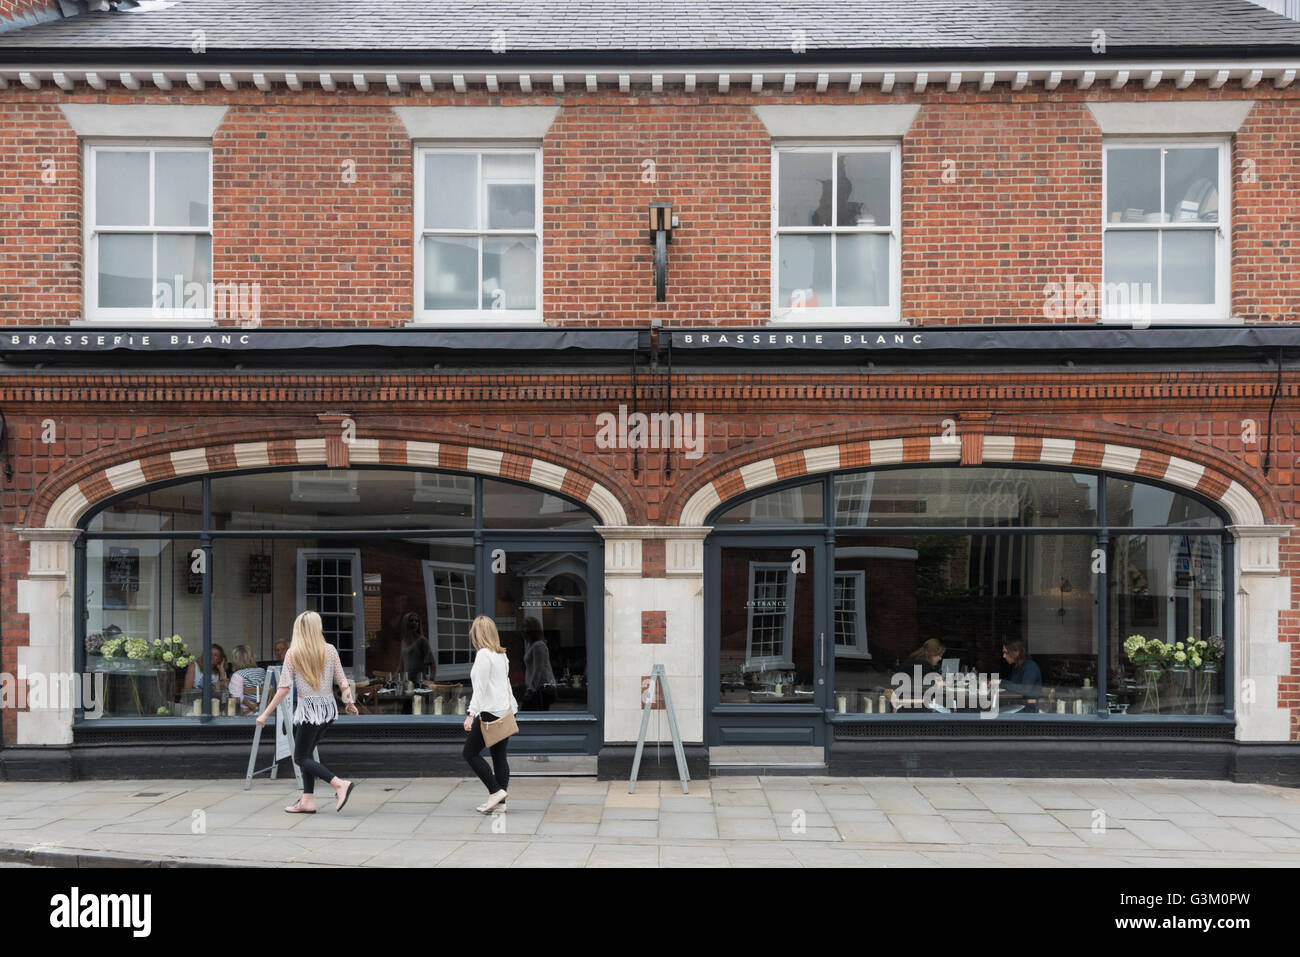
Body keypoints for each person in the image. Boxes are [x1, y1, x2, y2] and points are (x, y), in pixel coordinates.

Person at [257, 611, 358, 813]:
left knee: (300, 757)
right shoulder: (329, 650)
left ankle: (339, 784)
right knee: (307, 753)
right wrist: (349, 702)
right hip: (327, 711)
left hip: (309, 712)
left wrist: (265, 714)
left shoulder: (293, 653)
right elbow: (342, 680)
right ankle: (307, 800)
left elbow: (283, 688)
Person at [462, 616, 518, 815]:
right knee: (499, 756)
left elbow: (480, 689)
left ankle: (495, 792)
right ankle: (500, 804)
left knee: (469, 753)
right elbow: (506, 684)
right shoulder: (501, 654)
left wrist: (470, 714)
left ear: (477, 634)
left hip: (490, 712)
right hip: (503, 711)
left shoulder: (484, 655)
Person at [997, 638, 1044, 711]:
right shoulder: (1016, 666)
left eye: (1006, 653)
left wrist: (1001, 682)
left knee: (997, 713)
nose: (1004, 656)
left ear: (1016, 652)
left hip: (1030, 708)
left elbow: (1025, 689)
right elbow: (1015, 687)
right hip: (1019, 705)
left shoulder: (1030, 667)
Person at [521, 617, 556, 711]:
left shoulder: (538, 646)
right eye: (523, 627)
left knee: (528, 717)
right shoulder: (530, 645)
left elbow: (538, 670)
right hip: (535, 689)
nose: (523, 630)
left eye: (526, 627)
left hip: (540, 689)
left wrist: (531, 689)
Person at [228, 645, 267, 715]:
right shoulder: (262, 671)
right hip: (264, 711)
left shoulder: (238, 675)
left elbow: (236, 697)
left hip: (245, 715)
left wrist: (253, 707)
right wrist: (258, 708)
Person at [399, 611, 434, 684]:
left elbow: (432, 663)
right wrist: (395, 677)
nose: (414, 622)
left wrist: (431, 681)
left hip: (419, 681)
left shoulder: (422, 640)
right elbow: (401, 664)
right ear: (406, 623)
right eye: (411, 620)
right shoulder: (403, 641)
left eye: (416, 621)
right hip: (407, 682)